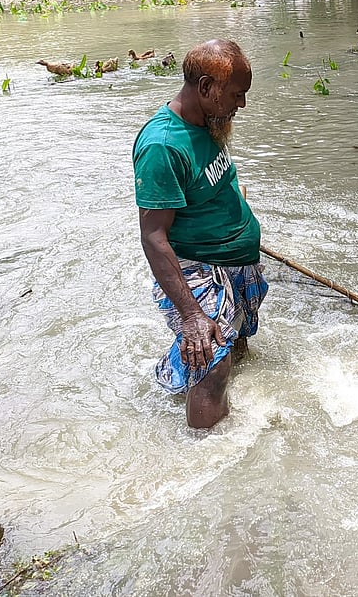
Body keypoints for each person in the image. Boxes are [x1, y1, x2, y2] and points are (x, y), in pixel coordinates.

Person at [132, 39, 267, 429]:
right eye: (236, 95)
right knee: (212, 366)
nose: (241, 104)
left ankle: (191, 392)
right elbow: (153, 236)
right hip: (198, 263)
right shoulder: (162, 145)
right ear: (206, 87)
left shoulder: (210, 121)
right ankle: (212, 461)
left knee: (234, 342)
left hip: (233, 259)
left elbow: (218, 180)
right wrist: (191, 315)